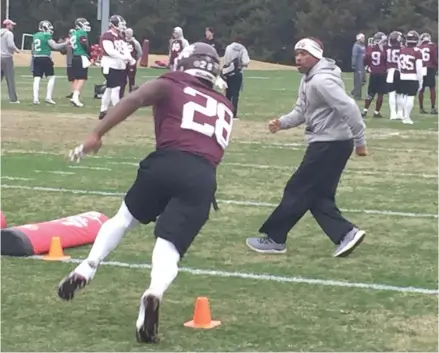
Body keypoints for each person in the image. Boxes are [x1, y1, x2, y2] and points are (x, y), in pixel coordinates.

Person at [57, 42, 235, 344]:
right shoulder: (226, 104)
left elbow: (136, 98)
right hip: (203, 176)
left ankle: (87, 267)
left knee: (124, 219)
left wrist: (97, 133)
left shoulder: (173, 82)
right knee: (170, 245)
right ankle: (154, 292)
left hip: (167, 162)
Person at [246, 37, 367, 257]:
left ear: (316, 56)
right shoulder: (308, 79)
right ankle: (346, 233)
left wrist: (360, 141)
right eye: (297, 54)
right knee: (317, 196)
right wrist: (282, 123)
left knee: (297, 189)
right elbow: (301, 111)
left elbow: (349, 107)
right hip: (329, 143)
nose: (298, 58)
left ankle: (275, 238)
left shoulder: (322, 81)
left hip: (329, 144)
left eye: (304, 54)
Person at [97, 15, 135, 120]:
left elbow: (125, 49)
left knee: (109, 88)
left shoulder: (120, 36)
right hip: (109, 64)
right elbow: (110, 51)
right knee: (116, 88)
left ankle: (103, 111)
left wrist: (130, 58)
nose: (123, 26)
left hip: (117, 65)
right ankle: (119, 113)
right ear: (114, 24)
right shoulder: (107, 35)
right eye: (121, 24)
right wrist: (124, 57)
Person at [31, 20, 69, 105]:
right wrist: (65, 43)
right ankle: (48, 97)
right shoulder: (46, 35)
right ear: (44, 28)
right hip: (45, 58)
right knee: (51, 77)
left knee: (37, 78)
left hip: (36, 58)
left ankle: (35, 99)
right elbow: (55, 46)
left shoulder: (35, 35)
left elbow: (33, 49)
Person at [395, 30, 423, 124]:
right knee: (410, 97)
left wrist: (402, 72)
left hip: (403, 75)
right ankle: (406, 117)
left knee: (404, 96)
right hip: (413, 76)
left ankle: (403, 114)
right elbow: (419, 69)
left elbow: (398, 65)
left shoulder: (402, 50)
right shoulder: (417, 52)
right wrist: (420, 81)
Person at [222, 36, 250, 119]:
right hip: (238, 72)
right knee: (235, 95)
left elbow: (226, 61)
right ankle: (233, 114)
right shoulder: (242, 49)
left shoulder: (229, 47)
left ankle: (226, 113)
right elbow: (246, 62)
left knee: (228, 94)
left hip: (229, 72)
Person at [362, 32, 387, 118]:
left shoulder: (370, 49)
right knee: (380, 94)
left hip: (373, 73)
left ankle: (365, 110)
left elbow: (365, 59)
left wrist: (368, 66)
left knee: (371, 93)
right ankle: (376, 112)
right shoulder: (384, 50)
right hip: (382, 73)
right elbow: (386, 61)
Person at [70, 17, 92, 107]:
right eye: (85, 24)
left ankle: (74, 96)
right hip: (81, 56)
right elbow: (84, 45)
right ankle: (75, 97)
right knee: (82, 78)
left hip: (75, 56)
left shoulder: (73, 34)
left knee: (76, 78)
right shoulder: (82, 33)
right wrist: (89, 55)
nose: (87, 26)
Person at [417, 32, 438, 114]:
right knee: (432, 88)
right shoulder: (432, 46)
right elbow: (434, 58)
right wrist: (437, 67)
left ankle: (421, 108)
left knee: (421, 89)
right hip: (430, 67)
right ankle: (433, 108)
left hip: (421, 68)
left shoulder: (419, 46)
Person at [384, 31, 403, 120]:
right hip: (399, 71)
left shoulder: (386, 48)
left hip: (390, 72)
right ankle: (400, 113)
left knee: (391, 94)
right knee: (399, 94)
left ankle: (393, 113)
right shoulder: (401, 49)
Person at [0, 19, 20, 103]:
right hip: (7, 58)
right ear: (7, 25)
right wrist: (16, 50)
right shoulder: (9, 34)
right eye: (11, 25)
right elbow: (10, 44)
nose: (12, 26)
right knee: (10, 79)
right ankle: (13, 99)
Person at [120, 28, 143, 98]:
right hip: (123, 63)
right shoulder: (122, 41)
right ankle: (120, 95)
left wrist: (135, 60)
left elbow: (140, 52)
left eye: (129, 33)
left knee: (131, 79)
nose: (128, 34)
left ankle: (131, 95)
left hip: (131, 64)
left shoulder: (135, 42)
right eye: (127, 33)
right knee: (122, 80)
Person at [351, 33, 366, 100]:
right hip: (358, 65)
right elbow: (354, 55)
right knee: (358, 81)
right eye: (362, 38)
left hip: (363, 65)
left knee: (363, 80)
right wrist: (354, 64)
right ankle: (357, 96)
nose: (364, 39)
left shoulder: (363, 45)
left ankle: (354, 91)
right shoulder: (356, 45)